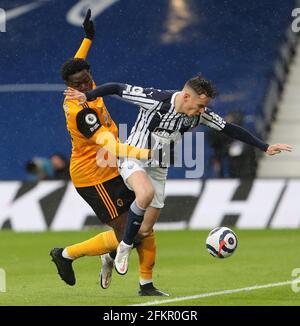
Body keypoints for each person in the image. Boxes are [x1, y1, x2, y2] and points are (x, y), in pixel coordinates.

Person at [65, 77, 292, 285]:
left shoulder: (199, 115)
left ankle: (110, 253)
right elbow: (116, 88)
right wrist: (89, 96)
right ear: (186, 97)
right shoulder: (154, 99)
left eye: (204, 106)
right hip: (134, 159)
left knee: (143, 231)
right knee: (144, 195)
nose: (202, 110)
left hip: (158, 168)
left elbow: (229, 129)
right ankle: (123, 248)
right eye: (200, 105)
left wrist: (265, 146)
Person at [50, 9, 168, 296]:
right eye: (78, 83)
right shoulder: (81, 112)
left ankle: (146, 285)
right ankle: (65, 255)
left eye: (87, 78)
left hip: (113, 167)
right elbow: (111, 146)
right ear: (70, 87)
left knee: (142, 229)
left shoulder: (86, 85)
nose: (85, 84)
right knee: (133, 234)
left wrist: (88, 37)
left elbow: (77, 64)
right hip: (95, 177)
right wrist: (144, 153)